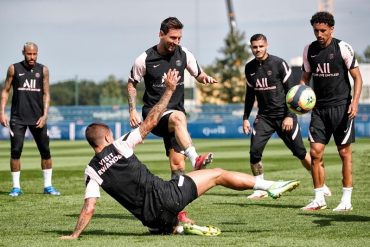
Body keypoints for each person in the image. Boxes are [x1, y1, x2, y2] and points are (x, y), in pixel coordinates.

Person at [60, 69, 300, 239]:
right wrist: (169, 91)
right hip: (169, 197)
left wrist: (74, 235)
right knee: (216, 174)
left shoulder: (91, 171)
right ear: (108, 137)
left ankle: (180, 227)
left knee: (161, 222)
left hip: (153, 221)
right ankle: (268, 185)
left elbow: (89, 207)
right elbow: (151, 120)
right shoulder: (120, 145)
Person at [127, 17, 218, 179]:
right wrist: (132, 110)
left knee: (177, 164)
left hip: (177, 119)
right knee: (178, 116)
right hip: (154, 115)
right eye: (172, 37)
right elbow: (132, 83)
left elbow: (198, 74)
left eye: (179, 38)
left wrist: (205, 78)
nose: (176, 41)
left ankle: (177, 202)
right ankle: (195, 158)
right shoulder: (145, 59)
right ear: (161, 34)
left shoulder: (184, 54)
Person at [242, 34, 330, 199]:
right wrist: (246, 117)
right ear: (251, 47)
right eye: (254, 47)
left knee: (300, 152)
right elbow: (249, 95)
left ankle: (321, 184)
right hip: (264, 117)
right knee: (254, 152)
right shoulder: (249, 68)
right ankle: (260, 188)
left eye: (260, 46)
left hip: (284, 116)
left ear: (266, 45)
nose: (258, 50)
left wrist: (289, 116)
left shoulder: (279, 64)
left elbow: (293, 91)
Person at [300, 12, 363, 211]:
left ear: (331, 29)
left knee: (344, 153)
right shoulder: (309, 50)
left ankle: (346, 200)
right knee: (315, 152)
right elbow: (305, 78)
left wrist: (355, 103)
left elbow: (358, 78)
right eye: (316, 30)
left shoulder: (342, 47)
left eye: (323, 31)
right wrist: (300, 96)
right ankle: (319, 198)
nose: (319, 34)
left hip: (342, 108)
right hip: (319, 109)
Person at [0, 42, 60, 197]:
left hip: (38, 118)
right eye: (29, 54)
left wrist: (45, 115)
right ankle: (16, 187)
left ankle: (48, 186)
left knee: (45, 151)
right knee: (15, 151)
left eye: (34, 54)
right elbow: (5, 91)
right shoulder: (14, 69)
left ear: (37, 53)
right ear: (23, 53)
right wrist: (2, 112)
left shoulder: (43, 70)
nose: (32, 57)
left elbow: (46, 93)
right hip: (17, 118)